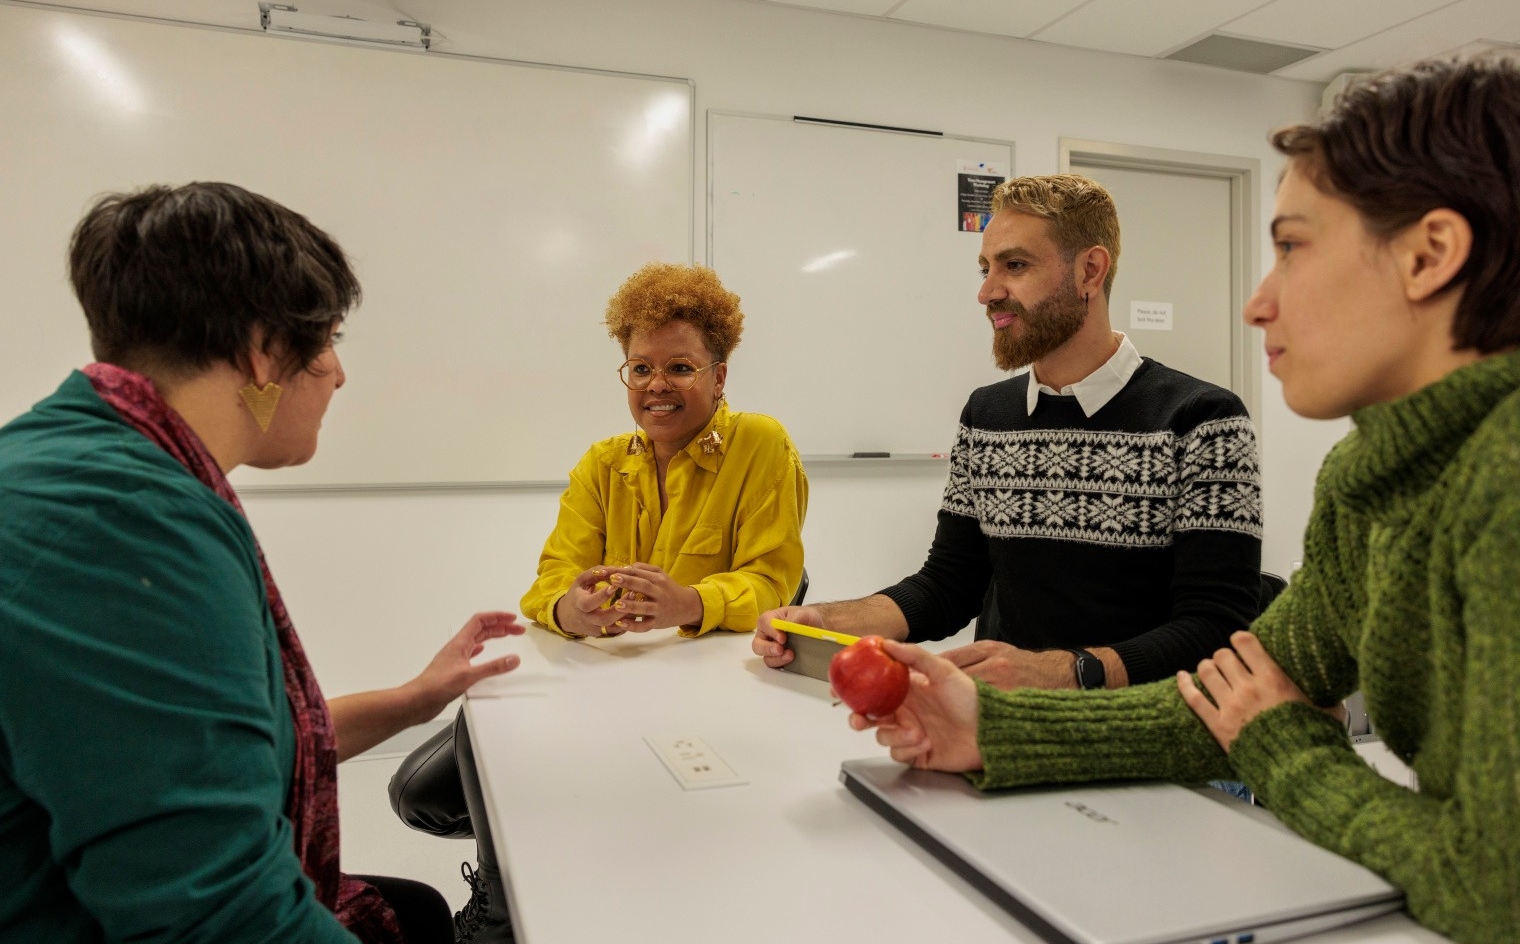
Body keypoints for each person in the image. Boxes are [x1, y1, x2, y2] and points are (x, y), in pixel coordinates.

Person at [850, 53, 1520, 944]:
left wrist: (1280, 743)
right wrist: (994, 728)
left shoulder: (1501, 479)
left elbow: (1493, 884)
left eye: (1292, 247)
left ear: (1428, 255)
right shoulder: (1370, 478)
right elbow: (1218, 697)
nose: (1258, 304)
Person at [0, 182, 525, 944]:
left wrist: (416, 699)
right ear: (262, 350)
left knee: (414, 909)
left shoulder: (78, 460)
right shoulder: (122, 521)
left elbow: (205, 750)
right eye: (329, 340)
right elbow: (220, 917)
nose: (338, 374)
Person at [389, 262, 807, 942]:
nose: (656, 385)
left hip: (702, 694)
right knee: (419, 795)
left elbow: (773, 581)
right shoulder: (602, 462)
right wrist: (569, 610)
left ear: (719, 376)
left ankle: (503, 910)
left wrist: (690, 603)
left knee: (583, 791)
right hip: (598, 681)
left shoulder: (760, 443)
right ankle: (538, 863)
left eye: (680, 368)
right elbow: (551, 576)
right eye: (640, 369)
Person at [754, 174, 1263, 692]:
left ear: (1090, 270)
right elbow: (948, 586)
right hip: (1007, 717)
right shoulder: (987, 414)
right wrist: (826, 620)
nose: (987, 292)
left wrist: (1064, 672)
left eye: (1014, 265)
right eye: (986, 268)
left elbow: (1217, 630)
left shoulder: (1203, 420)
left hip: (1143, 723)